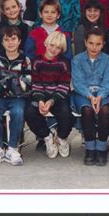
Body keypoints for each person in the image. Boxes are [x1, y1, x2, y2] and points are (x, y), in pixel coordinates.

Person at [0, 26, 32, 166]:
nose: (10, 42)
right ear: (2, 42)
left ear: (19, 42)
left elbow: (27, 84)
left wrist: (5, 80)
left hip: (18, 98)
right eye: (6, 39)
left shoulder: (25, 60)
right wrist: (12, 81)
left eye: (13, 39)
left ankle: (12, 148)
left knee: (18, 112)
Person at [25, 31, 74, 159]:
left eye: (58, 48)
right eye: (52, 45)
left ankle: (62, 138)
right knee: (30, 112)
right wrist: (41, 100)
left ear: (62, 49)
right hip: (40, 94)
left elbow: (64, 86)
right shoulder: (37, 61)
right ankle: (47, 137)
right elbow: (35, 84)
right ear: (46, 44)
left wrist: (52, 101)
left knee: (66, 113)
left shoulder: (64, 63)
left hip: (58, 96)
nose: (54, 49)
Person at [72, 27, 109, 166]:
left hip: (103, 93)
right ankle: (90, 149)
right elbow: (78, 83)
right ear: (85, 42)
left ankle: (102, 148)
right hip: (83, 93)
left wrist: (100, 96)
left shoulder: (108, 60)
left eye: (98, 44)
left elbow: (108, 82)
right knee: (87, 110)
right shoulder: (77, 60)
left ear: (103, 44)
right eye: (91, 43)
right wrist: (90, 97)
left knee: (105, 111)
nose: (94, 47)